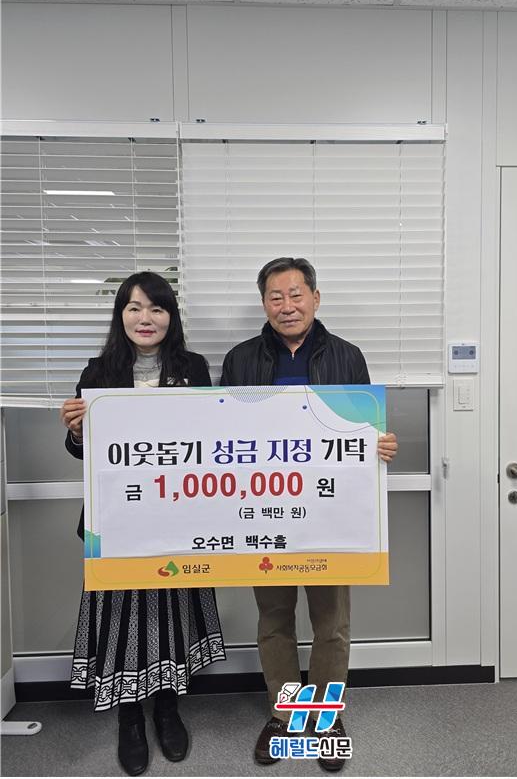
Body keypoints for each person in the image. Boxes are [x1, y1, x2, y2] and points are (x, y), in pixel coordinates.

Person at [220, 257, 397, 772]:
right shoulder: (240, 359)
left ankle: (324, 717)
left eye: (296, 294)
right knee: (274, 619)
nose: (287, 305)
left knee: (332, 624)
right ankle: (285, 714)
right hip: (266, 513)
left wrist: (379, 444)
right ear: (264, 304)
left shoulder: (347, 356)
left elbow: (361, 429)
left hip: (328, 514)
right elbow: (221, 434)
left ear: (315, 298)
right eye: (275, 297)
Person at [60, 271, 226, 776]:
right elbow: (82, 453)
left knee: (171, 614)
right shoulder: (98, 371)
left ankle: (168, 710)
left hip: (176, 517)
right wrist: (76, 432)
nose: (145, 318)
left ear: (170, 317)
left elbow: (211, 441)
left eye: (156, 308)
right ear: (121, 316)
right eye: (134, 308)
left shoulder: (192, 368)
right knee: (123, 620)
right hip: (117, 521)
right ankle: (129, 718)